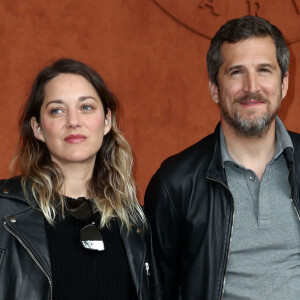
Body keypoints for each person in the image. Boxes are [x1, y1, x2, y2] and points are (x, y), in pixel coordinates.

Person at [144, 15, 300, 300]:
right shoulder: (175, 184)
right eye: (236, 72)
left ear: (284, 84)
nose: (251, 87)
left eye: (264, 70)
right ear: (215, 89)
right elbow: (157, 291)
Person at [0, 58, 159, 300]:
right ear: (38, 128)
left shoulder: (135, 223)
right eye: (57, 110)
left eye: (86, 107)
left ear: (107, 120)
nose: (73, 121)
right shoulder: (5, 212)